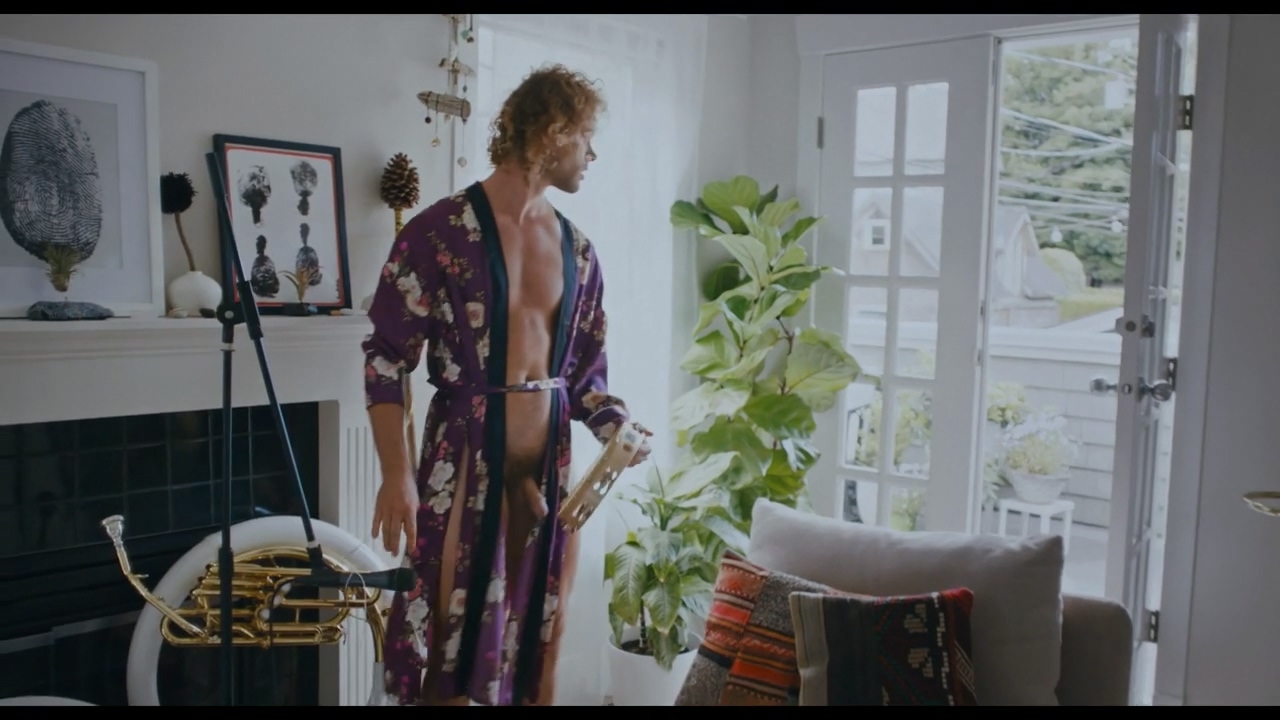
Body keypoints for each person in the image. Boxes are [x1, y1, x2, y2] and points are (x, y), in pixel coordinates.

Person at [362, 64, 650, 707]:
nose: (593, 155)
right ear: (554, 131)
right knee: (448, 652)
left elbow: (585, 377)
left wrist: (619, 429)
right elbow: (385, 357)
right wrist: (396, 473)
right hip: (463, 462)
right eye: (587, 137)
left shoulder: (580, 251)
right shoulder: (437, 232)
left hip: (548, 473)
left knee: (540, 651)